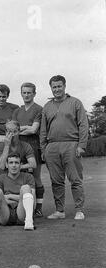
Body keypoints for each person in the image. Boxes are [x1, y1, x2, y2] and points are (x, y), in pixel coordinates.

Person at [40, 75, 88, 220]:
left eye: (59, 86)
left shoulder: (75, 103)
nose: (57, 89)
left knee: (75, 179)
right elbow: (43, 130)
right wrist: (43, 149)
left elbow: (83, 124)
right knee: (56, 181)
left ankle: (79, 210)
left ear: (64, 86)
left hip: (71, 144)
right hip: (52, 146)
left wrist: (82, 145)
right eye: (54, 87)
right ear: (51, 88)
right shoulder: (47, 107)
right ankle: (59, 211)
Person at [12, 83, 45, 217]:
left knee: (35, 177)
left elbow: (34, 129)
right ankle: (23, 207)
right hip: (18, 146)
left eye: (29, 93)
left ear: (34, 94)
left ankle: (38, 208)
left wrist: (20, 129)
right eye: (24, 93)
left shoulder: (39, 109)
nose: (26, 95)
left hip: (33, 146)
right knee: (19, 175)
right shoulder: (17, 111)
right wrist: (24, 128)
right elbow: (13, 130)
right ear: (21, 93)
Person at [0, 153, 35, 232]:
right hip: (5, 212)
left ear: (21, 165)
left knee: (25, 188)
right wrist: (21, 198)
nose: (14, 165)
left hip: (22, 212)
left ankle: (29, 222)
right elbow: (0, 199)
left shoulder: (28, 177)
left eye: (16, 163)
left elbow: (33, 202)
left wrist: (9, 196)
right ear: (6, 165)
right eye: (11, 163)